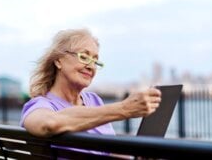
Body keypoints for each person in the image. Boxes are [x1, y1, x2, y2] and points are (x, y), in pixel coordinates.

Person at [19, 28, 161, 155]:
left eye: (95, 61)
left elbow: (111, 151)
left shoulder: (94, 100)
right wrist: (124, 108)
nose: (91, 66)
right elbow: (48, 123)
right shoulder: (40, 105)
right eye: (84, 57)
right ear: (58, 61)